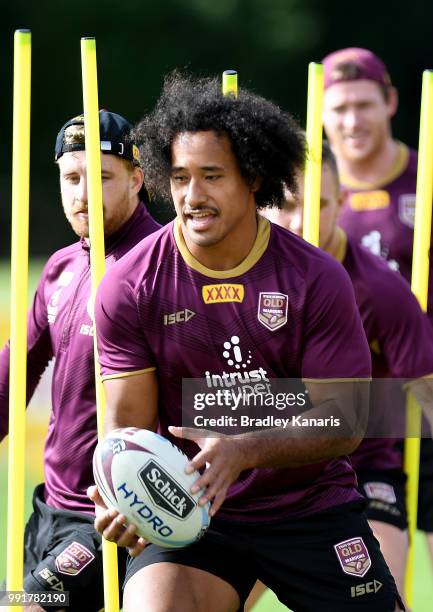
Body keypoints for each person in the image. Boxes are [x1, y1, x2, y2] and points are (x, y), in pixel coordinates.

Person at [89, 72, 404, 611]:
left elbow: (347, 418)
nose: (192, 195)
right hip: (196, 514)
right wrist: (125, 496)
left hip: (309, 507)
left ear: (254, 178)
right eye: (181, 177)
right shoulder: (130, 283)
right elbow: (128, 429)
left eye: (212, 176)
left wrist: (245, 449)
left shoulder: (317, 277)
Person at [0, 110, 160, 611]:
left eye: (100, 177)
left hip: (111, 515)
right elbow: (17, 369)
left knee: (19, 607)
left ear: (137, 179)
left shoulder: (162, 266)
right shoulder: (62, 267)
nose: (82, 194)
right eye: (72, 177)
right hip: (48, 505)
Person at [261, 140, 433, 606]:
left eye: (316, 203)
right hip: (263, 471)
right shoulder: (239, 276)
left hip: (362, 475)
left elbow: (426, 389)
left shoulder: (379, 288)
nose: (300, 222)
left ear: (341, 203)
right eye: (285, 204)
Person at [322, 46, 433, 566]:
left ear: (390, 102)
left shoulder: (426, 180)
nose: (352, 121)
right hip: (351, 416)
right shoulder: (307, 196)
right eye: (339, 108)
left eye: (364, 104)